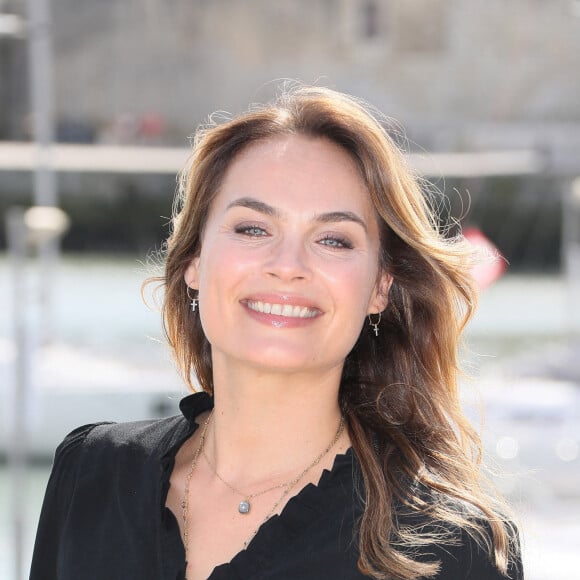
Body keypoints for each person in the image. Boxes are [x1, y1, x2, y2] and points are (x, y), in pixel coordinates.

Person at [30, 85, 523, 580]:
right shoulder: (91, 474)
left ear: (380, 287)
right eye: (252, 229)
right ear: (194, 261)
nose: (287, 266)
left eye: (333, 239)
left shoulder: (454, 549)